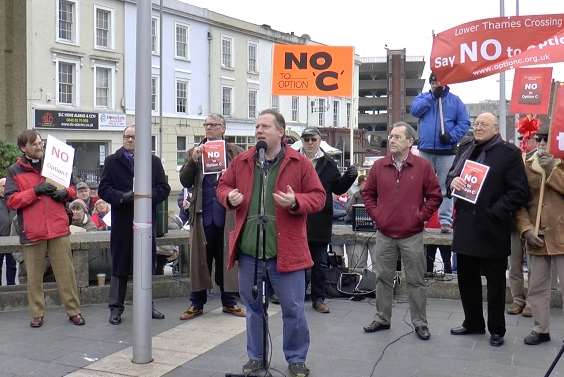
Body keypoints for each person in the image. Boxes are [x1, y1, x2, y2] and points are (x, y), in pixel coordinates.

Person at [217, 109, 325, 377]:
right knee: (254, 310)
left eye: (265, 126)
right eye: (257, 127)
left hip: (286, 253)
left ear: (281, 131)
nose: (259, 131)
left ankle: (296, 358)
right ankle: (256, 357)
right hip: (250, 252)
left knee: (294, 310)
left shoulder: (300, 163)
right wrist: (228, 196)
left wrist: (296, 202)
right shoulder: (242, 161)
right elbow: (221, 185)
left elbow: (319, 197)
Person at [447, 112, 529, 347]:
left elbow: (519, 191)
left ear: (496, 128)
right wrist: (452, 181)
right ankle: (473, 322)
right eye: (476, 124)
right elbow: (450, 177)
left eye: (483, 124)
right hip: (465, 225)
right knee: (466, 279)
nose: (478, 127)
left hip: (493, 227)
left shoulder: (509, 153)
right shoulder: (465, 148)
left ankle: (496, 329)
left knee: (495, 283)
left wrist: (496, 210)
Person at [361, 122, 442, 341]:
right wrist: (377, 216)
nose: (391, 140)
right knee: (382, 279)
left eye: (397, 136)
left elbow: (435, 196)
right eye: (391, 136)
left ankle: (420, 323)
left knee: (416, 281)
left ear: (410, 141)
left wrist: (419, 217)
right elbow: (367, 194)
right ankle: (382, 318)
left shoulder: (423, 166)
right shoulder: (379, 166)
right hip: (385, 233)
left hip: (412, 234)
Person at [4, 129, 85, 327]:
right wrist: (34, 191)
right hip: (33, 230)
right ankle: (37, 313)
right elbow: (11, 201)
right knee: (34, 276)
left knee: (66, 273)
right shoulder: (14, 170)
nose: (40, 146)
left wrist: (64, 193)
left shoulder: (56, 162)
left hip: (58, 228)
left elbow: (73, 189)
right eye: (34, 144)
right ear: (24, 148)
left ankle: (74, 311)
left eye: (40, 142)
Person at [98, 125, 171, 325]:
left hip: (146, 221)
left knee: (146, 264)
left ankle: (147, 305)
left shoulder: (153, 162)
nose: (130, 140)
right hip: (122, 222)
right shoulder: (112, 161)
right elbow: (103, 189)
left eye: (134, 137)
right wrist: (123, 197)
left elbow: (164, 188)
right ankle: (115, 308)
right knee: (120, 265)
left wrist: (147, 198)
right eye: (127, 137)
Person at [178, 113, 245, 320]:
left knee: (228, 260)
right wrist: (192, 161)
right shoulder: (195, 151)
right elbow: (185, 181)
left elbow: (245, 179)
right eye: (206, 125)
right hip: (203, 215)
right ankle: (196, 303)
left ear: (223, 128)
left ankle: (229, 302)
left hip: (227, 215)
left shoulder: (235, 152)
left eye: (213, 125)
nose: (209, 128)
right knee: (200, 261)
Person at [299, 127, 357, 314]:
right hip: (297, 218)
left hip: (320, 220)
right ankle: (296, 298)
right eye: (306, 139)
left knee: (320, 264)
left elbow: (338, 189)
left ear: (319, 140)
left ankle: (319, 298)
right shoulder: (293, 160)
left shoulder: (329, 163)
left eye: (312, 139)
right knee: (297, 264)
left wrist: (350, 176)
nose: (309, 142)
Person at [515, 127, 564, 345]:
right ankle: (540, 328)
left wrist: (553, 169)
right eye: (540, 140)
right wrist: (526, 229)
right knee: (536, 287)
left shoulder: (560, 164)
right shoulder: (526, 166)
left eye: (547, 140)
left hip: (562, 235)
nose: (543, 144)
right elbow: (520, 203)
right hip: (538, 235)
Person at [411, 72, 470, 234]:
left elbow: (464, 122)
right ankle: (421, 219)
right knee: (422, 187)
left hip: (447, 151)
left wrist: (452, 136)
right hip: (425, 150)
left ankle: (445, 221)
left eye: (439, 82)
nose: (436, 84)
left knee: (446, 187)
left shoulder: (455, 101)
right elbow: (415, 111)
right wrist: (432, 98)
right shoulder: (423, 98)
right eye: (433, 82)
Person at [0, 177, 17, 285]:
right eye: (3, 186)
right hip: (0, 239)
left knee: (12, 266)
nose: (6, 188)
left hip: (13, 238)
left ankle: (11, 286)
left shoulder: (13, 200)